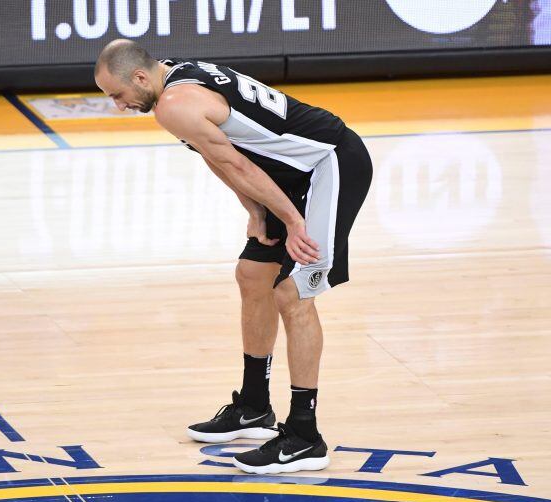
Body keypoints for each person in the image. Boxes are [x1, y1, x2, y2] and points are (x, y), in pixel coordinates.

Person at [95, 39, 372, 475]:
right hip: (289, 177)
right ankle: (254, 407)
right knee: (252, 275)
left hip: (328, 164)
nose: (118, 105)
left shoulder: (174, 103)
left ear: (141, 77)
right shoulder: (174, 77)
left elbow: (237, 164)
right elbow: (216, 156)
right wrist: (254, 209)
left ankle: (304, 436)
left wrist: (294, 222)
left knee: (292, 295)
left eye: (117, 95)